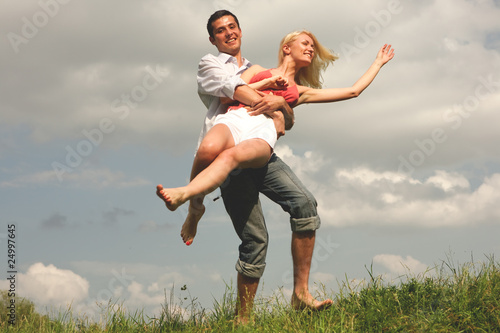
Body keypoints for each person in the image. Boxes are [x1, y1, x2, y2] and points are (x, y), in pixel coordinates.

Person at [157, 10, 394, 324]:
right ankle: (243, 318)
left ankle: (300, 294)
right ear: (287, 47)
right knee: (255, 240)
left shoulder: (301, 91)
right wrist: (273, 99)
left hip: (263, 157)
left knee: (305, 204)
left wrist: (376, 63)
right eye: (305, 43)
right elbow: (229, 94)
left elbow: (352, 91)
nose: (310, 48)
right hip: (235, 153)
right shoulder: (253, 69)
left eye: (313, 45)